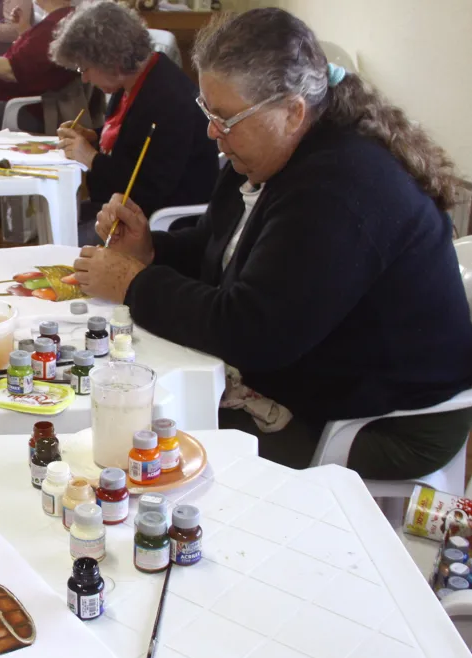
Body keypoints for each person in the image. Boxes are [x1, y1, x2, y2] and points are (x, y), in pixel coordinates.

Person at [78, 8, 472, 479]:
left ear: (292, 112)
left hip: (386, 420)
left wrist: (135, 284)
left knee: (162, 442)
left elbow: (250, 332)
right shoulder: (265, 153)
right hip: (320, 371)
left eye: (225, 117)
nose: (212, 133)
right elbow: (217, 251)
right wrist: (150, 250)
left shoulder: (339, 188)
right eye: (208, 111)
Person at [50, 0, 218, 244]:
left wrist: (89, 157)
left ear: (112, 61)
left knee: (63, 239)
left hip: (162, 225)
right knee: (57, 221)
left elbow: (147, 188)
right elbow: (132, 138)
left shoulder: (168, 99)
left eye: (85, 68)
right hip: (125, 205)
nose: (84, 78)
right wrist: (95, 137)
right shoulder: (137, 79)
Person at [0, 0, 76, 133]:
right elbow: (35, 58)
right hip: (31, 102)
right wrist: (23, 29)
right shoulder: (61, 19)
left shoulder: (52, 26)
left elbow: (11, 71)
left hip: (32, 109)